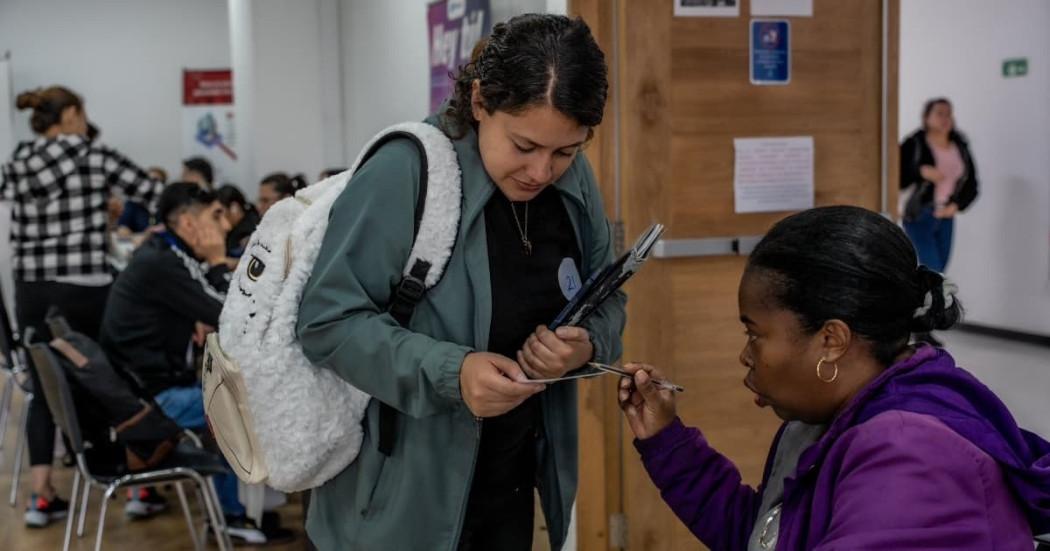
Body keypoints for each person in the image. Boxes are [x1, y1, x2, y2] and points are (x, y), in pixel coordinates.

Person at [296, 14, 625, 550]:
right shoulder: (405, 172)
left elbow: (607, 298)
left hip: (510, 491)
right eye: (523, 146)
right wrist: (453, 372)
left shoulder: (575, 184)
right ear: (478, 103)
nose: (541, 173)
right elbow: (328, 322)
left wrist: (585, 346)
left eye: (565, 152)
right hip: (394, 506)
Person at [619, 206, 1050, 550]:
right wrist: (665, 439)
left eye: (755, 334)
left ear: (831, 340)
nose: (744, 355)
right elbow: (763, 537)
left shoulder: (910, 456)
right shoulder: (831, 413)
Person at [0, 85, 163, 528]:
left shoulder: (19, 162)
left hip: (31, 290)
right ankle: (140, 485)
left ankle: (41, 497)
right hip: (85, 289)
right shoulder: (94, 156)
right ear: (71, 114)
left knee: (42, 388)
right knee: (113, 378)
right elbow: (155, 195)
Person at [99, 183, 290, 544]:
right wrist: (219, 260)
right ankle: (237, 515)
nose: (224, 225)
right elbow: (228, 314)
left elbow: (208, 301)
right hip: (151, 400)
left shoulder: (164, 255)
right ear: (189, 224)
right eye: (215, 216)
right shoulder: (164, 263)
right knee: (239, 405)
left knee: (234, 395)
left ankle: (243, 507)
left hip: (141, 386)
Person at [900, 97, 979, 273]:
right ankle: (923, 301)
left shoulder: (960, 146)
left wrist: (957, 205)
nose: (945, 118)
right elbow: (896, 175)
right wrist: (920, 172)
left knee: (940, 272)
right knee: (932, 271)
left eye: (949, 114)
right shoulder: (914, 143)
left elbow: (972, 184)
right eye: (939, 113)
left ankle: (926, 300)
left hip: (946, 215)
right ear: (927, 117)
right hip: (920, 213)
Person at [116, 166, 168, 236]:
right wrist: (143, 236)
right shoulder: (132, 204)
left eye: (156, 182)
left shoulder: (166, 208)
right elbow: (122, 230)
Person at [216, 184, 260, 258]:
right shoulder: (249, 219)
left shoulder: (247, 231)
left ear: (234, 207)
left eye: (221, 211)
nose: (219, 217)